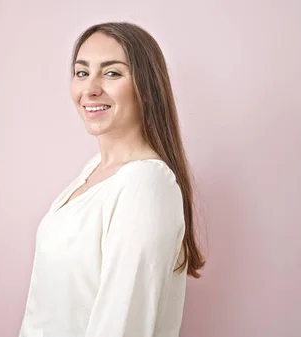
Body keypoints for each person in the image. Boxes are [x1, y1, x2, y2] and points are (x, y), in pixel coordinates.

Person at [18, 22, 205, 337]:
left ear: (147, 87)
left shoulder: (145, 184)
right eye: (81, 72)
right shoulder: (93, 171)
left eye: (112, 73)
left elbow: (122, 326)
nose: (90, 88)